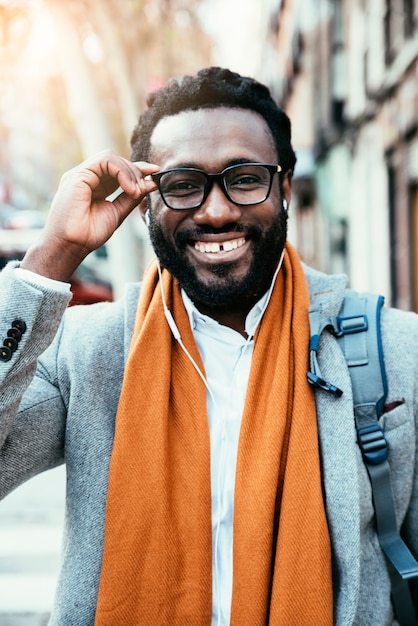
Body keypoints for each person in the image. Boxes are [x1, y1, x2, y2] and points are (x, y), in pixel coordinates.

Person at [0, 66, 417, 626]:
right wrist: (52, 254)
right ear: (147, 199)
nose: (216, 211)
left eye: (245, 179)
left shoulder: (396, 350)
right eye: (183, 184)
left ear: (285, 189)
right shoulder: (85, 352)